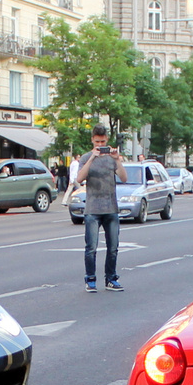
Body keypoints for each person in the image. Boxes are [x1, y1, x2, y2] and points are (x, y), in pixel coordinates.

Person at [71, 125, 128, 292]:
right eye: (97, 142)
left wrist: (117, 159)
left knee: (113, 247)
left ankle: (111, 278)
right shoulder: (86, 157)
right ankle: (90, 279)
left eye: (103, 141)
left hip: (111, 208)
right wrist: (91, 159)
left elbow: (124, 178)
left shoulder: (112, 158)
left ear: (107, 140)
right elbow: (79, 179)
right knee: (91, 247)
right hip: (92, 209)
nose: (100, 144)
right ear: (92, 140)